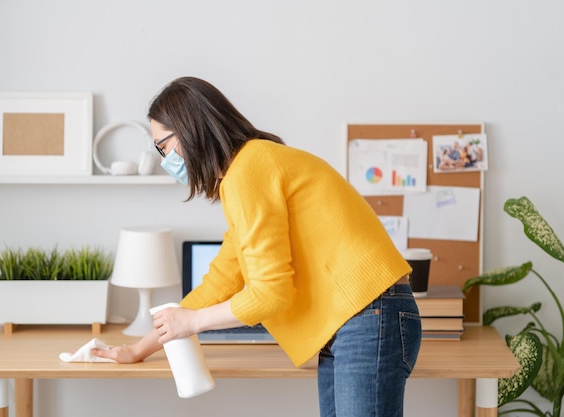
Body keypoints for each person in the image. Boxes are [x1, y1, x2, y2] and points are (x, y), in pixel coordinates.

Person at [93, 76, 422, 417]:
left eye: (163, 146)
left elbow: (270, 293)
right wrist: (138, 349)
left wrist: (194, 322)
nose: (165, 160)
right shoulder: (246, 172)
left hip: (369, 315)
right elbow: (220, 283)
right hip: (357, 319)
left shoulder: (250, 168)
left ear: (190, 128)